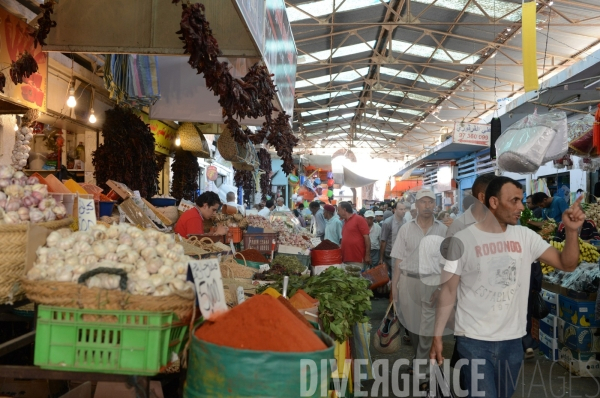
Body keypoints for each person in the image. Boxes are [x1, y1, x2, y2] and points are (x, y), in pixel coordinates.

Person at [431, 177, 584, 398]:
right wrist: (437, 335)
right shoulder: (461, 240)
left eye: (521, 200)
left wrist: (571, 232)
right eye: (514, 201)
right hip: (473, 341)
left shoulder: (525, 237)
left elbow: (566, 264)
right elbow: (447, 290)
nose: (521, 207)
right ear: (493, 202)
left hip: (513, 341)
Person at [391, 189, 447, 392]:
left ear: (435, 205)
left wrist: (442, 287)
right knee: (412, 327)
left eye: (430, 202)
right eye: (423, 202)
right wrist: (394, 286)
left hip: (431, 283)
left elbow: (447, 262)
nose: (427, 206)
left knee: (425, 329)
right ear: (417, 205)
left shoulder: (443, 230)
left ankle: (423, 371)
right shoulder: (406, 229)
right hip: (408, 282)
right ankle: (418, 358)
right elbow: (398, 258)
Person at [338, 201, 370, 269]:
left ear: (344, 210)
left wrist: (367, 255)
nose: (337, 213)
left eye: (338, 210)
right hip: (346, 258)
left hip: (357, 258)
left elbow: (367, 238)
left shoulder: (359, 219)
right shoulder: (345, 222)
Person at [379, 202, 407, 269]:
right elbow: (383, 241)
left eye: (404, 209)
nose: (403, 211)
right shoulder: (388, 222)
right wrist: (381, 258)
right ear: (395, 210)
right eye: (401, 209)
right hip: (390, 253)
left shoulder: (405, 221)